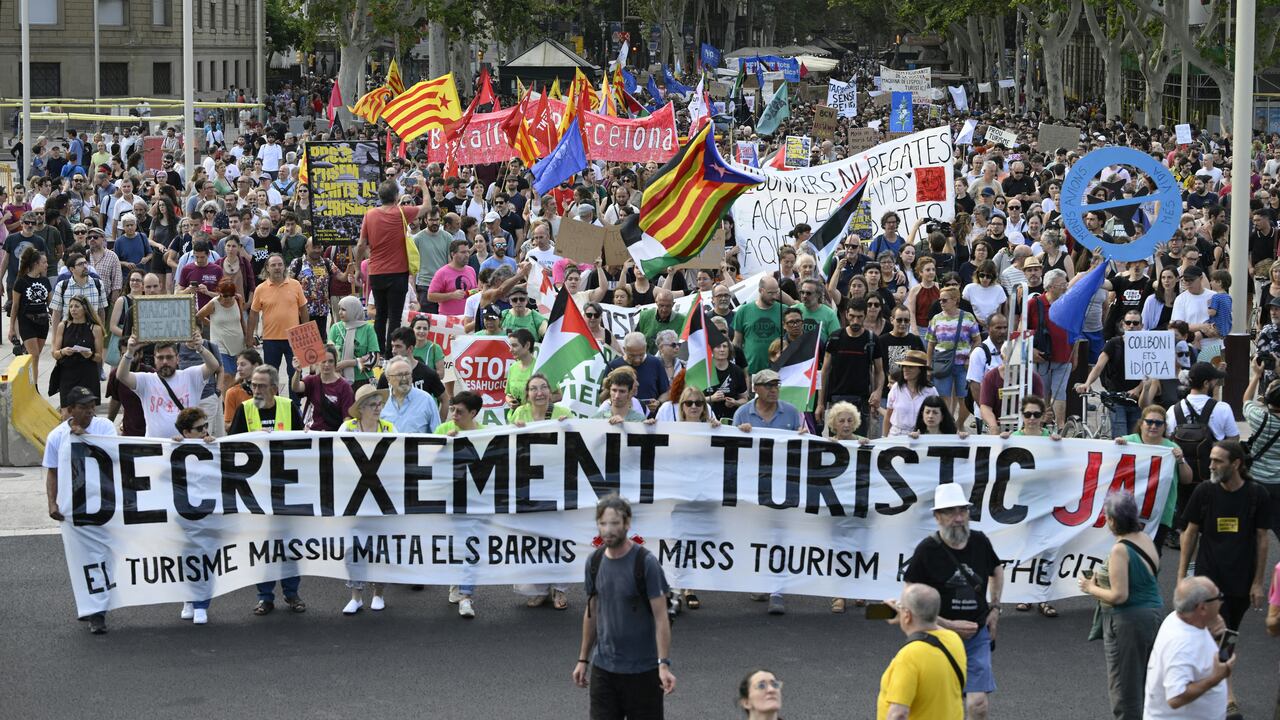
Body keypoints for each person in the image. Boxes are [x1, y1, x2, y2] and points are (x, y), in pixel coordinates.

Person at [1176, 439, 1271, 716]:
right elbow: (1190, 532)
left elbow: (1263, 539)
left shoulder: (1257, 495)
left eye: (1217, 461)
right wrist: (1182, 576)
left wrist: (1257, 582)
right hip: (1208, 581)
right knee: (1217, 634)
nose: (1211, 465)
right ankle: (1227, 694)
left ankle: (1208, 682)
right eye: (1211, 460)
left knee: (1228, 634)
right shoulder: (1205, 492)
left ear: (1236, 464)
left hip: (1240, 581)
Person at [903, 482, 1004, 720]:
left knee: (977, 704)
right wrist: (948, 625)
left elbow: (996, 570)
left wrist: (995, 608)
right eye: (950, 512)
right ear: (938, 517)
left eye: (963, 511)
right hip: (937, 637)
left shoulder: (980, 541)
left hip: (977, 634)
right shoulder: (927, 550)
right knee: (944, 701)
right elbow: (909, 597)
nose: (959, 518)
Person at [572, 495, 676, 718]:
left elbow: (661, 618)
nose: (608, 530)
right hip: (604, 671)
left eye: (614, 523)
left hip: (643, 672)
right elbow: (592, 613)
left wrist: (663, 664)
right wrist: (583, 659)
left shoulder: (646, 563)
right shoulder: (594, 562)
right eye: (603, 523)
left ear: (627, 523)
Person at [1075, 491, 1162, 720]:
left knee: (1124, 687)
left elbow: (1119, 595)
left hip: (1128, 621)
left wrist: (1090, 587)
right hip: (1149, 617)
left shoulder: (1120, 549)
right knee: (1142, 681)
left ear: (1113, 520)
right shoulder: (1145, 539)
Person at [43, 386, 116, 634]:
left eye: (92, 406)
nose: (90, 411)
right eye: (84, 407)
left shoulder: (104, 427)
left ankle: (98, 612)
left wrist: (84, 436)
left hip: (102, 504)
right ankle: (90, 605)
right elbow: (52, 471)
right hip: (73, 508)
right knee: (81, 560)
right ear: (70, 410)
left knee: (101, 557)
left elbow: (114, 455)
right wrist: (52, 502)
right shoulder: (56, 436)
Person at [1143, 576, 1234, 718]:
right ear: (1202, 607)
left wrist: (1212, 627)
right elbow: (1175, 698)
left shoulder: (1178, 618)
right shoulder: (1182, 645)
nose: (1221, 601)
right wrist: (1215, 679)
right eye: (1218, 597)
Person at [339, 384, 395, 615]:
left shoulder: (389, 427)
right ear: (361, 408)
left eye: (380, 404)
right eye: (373, 405)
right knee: (354, 547)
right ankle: (356, 595)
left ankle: (379, 593)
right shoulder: (348, 427)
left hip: (381, 494)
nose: (378, 408)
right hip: (355, 495)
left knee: (381, 546)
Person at [877, 583, 966, 720]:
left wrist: (904, 615)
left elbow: (898, 714)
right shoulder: (954, 640)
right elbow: (931, 625)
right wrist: (906, 614)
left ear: (907, 615)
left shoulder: (909, 655)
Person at [1115, 405, 1191, 554]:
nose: (1153, 426)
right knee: (1124, 554)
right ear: (1141, 423)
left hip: (1158, 514)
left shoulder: (1171, 448)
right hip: (1127, 512)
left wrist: (1180, 460)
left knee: (1152, 555)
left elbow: (1187, 479)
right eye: (1149, 422)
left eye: (1158, 423)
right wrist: (1116, 447)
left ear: (1164, 427)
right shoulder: (1127, 442)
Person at [354, 180, 420, 349]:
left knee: (380, 315)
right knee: (395, 316)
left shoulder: (370, 214)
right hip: (398, 274)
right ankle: (392, 353)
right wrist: (423, 185)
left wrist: (356, 269)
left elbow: (361, 245)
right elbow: (427, 206)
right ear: (397, 196)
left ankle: (378, 353)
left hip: (376, 273)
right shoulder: (402, 212)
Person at [117, 333, 220, 438]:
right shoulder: (146, 380)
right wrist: (130, 352)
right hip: (158, 448)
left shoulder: (190, 376)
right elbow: (122, 376)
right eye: (160, 358)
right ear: (154, 359)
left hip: (187, 448)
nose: (165, 362)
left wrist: (200, 348)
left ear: (177, 358)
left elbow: (213, 366)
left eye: (169, 357)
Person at [1073, 309, 1152, 437]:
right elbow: (1098, 366)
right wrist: (1087, 383)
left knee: (1136, 438)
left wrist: (1137, 390)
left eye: (1136, 323)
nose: (1132, 326)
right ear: (1123, 324)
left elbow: (1151, 373)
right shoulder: (1114, 343)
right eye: (1128, 322)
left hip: (1137, 399)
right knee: (1120, 437)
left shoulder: (1148, 345)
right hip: (1116, 398)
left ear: (1142, 326)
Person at [173, 407, 217, 625]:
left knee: (205, 557)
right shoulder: (174, 449)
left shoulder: (212, 447)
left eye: (206, 426)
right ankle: (188, 599)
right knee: (186, 558)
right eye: (200, 428)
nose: (205, 431)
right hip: (182, 516)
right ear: (186, 432)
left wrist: (217, 445)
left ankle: (201, 603)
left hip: (206, 514)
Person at [819, 298, 884, 436]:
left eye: (859, 317)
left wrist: (878, 391)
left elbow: (879, 371)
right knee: (836, 443)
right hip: (837, 399)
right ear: (846, 315)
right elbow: (824, 371)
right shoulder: (835, 338)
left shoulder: (872, 340)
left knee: (859, 442)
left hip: (861, 400)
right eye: (852, 316)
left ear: (865, 316)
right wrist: (820, 403)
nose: (855, 321)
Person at [249, 253, 308, 384]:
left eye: (280, 264)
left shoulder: (295, 285)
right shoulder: (260, 289)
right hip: (270, 339)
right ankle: (272, 403)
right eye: (273, 265)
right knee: (270, 377)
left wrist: (307, 332)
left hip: (294, 338)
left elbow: (303, 309)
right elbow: (253, 314)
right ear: (267, 268)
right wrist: (249, 337)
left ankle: (295, 404)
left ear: (284, 267)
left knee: (295, 373)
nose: (277, 267)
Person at [925, 287, 981, 421]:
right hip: (942, 363)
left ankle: (959, 424)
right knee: (944, 397)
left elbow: (977, 339)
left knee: (964, 397)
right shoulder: (936, 318)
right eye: (940, 300)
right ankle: (947, 426)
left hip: (964, 365)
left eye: (944, 300)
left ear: (955, 300)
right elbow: (931, 344)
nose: (941, 303)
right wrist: (928, 366)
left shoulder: (968, 317)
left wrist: (970, 358)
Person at [1242, 356, 1280, 544]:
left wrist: (1256, 376)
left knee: (1252, 526)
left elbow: (1246, 399)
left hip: (1257, 479)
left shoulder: (1259, 418)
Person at [50, 295, 104, 407]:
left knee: (87, 410)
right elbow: (55, 353)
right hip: (67, 373)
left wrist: (90, 355)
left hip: (87, 373)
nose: (73, 309)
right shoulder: (63, 326)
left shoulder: (95, 328)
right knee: (66, 411)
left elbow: (99, 357)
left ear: (85, 308)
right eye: (70, 307)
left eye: (76, 306)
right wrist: (63, 352)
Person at [290, 344, 355, 431]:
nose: (327, 364)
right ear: (318, 362)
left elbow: (347, 419)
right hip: (311, 433)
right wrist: (298, 371)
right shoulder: (311, 380)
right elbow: (296, 387)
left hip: (332, 436)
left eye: (330, 361)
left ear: (336, 363)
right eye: (323, 361)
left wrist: (339, 437)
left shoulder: (345, 387)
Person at [10, 248, 51, 379]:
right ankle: (34, 387)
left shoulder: (45, 281)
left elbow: (51, 303)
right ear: (36, 264)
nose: (47, 265)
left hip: (43, 321)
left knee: (35, 355)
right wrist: (12, 329)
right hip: (27, 321)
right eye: (44, 262)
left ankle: (28, 379)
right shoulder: (21, 281)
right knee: (35, 355)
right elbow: (15, 306)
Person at [605, 332, 670, 414]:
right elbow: (602, 397)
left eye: (641, 355)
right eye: (632, 355)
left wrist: (658, 402)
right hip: (620, 419)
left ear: (645, 348)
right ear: (624, 349)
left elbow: (667, 392)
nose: (637, 360)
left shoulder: (655, 363)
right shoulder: (613, 366)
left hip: (650, 420)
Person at [734, 276, 784, 374]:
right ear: (761, 290)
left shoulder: (784, 310)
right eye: (770, 293)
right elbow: (737, 343)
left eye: (776, 292)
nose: (774, 296)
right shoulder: (743, 311)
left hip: (777, 371)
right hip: (750, 372)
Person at [329, 295, 380, 389]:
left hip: (363, 380)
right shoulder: (335, 328)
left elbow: (374, 359)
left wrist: (350, 363)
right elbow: (328, 354)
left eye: (344, 309)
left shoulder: (368, 328)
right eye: (339, 309)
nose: (340, 312)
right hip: (339, 380)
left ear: (354, 310)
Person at [883, 350, 937, 437]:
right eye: (904, 366)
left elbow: (938, 416)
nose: (905, 369)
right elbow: (888, 415)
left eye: (910, 367)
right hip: (896, 436)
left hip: (921, 437)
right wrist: (884, 438)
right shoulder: (896, 388)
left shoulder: (931, 391)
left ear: (921, 370)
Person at [380, 356, 441, 433]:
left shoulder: (426, 400)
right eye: (399, 375)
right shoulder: (380, 402)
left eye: (407, 374)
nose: (404, 379)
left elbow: (438, 435)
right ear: (388, 379)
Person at [504, 329, 539, 408]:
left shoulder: (539, 367)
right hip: (514, 418)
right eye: (510, 346)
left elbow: (558, 395)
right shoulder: (513, 368)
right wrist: (509, 401)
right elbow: (508, 394)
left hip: (534, 419)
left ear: (527, 345)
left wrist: (533, 403)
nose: (510, 350)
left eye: (515, 345)